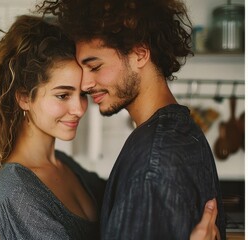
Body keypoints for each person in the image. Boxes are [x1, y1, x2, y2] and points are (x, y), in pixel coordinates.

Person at [0, 14, 221, 240]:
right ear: (24, 98)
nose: (79, 108)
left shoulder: (66, 166)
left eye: (81, 95)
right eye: (63, 95)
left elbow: (123, 210)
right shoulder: (16, 189)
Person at [37, 0, 226, 239]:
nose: (84, 84)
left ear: (140, 54)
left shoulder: (153, 161)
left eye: (95, 67)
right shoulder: (181, 131)